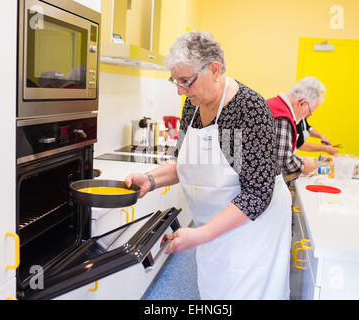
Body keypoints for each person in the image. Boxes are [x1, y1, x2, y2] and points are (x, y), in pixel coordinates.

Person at [125, 31, 292, 300]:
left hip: (254, 229)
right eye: (175, 81)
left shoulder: (249, 109)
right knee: (217, 290)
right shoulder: (193, 104)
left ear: (214, 69)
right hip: (212, 227)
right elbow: (185, 163)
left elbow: (257, 193)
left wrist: (202, 233)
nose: (179, 90)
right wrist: (151, 178)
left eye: (185, 81)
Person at [267, 76, 327, 182]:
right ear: (302, 103)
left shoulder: (275, 104)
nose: (307, 117)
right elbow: (283, 161)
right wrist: (303, 165)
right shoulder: (282, 117)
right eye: (309, 112)